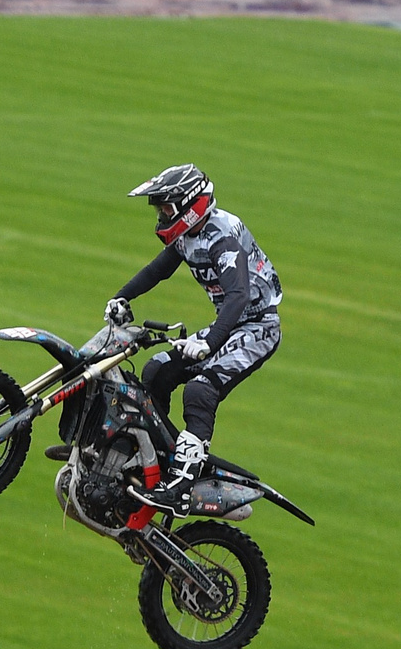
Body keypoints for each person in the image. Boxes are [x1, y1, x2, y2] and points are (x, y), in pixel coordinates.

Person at [105, 164, 283, 506]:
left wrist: (208, 342)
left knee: (201, 389)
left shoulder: (222, 237)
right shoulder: (188, 235)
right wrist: (121, 297)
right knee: (157, 370)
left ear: (190, 206)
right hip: (231, 323)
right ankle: (156, 456)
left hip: (258, 327)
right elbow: (156, 271)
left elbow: (239, 296)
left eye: (165, 209)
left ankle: (183, 483)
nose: (161, 217)